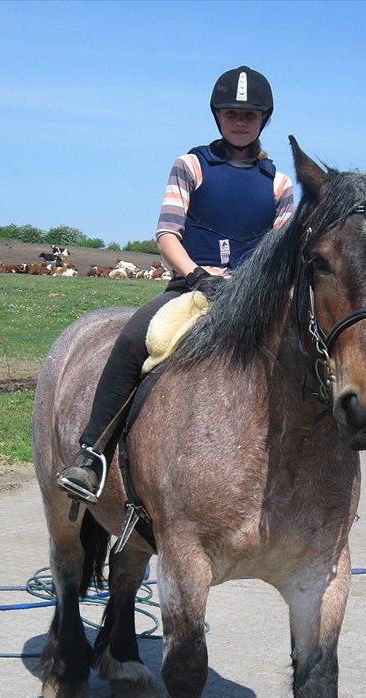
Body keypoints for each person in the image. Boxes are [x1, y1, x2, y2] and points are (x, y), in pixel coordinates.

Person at [57, 65, 294, 504]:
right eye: (231, 112)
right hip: (192, 287)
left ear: (264, 119)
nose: (239, 121)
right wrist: (198, 275)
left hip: (254, 297)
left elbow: (281, 248)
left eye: (249, 114)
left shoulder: (279, 184)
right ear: (217, 116)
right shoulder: (190, 166)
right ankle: (91, 454)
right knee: (136, 337)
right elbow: (167, 234)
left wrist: (251, 286)